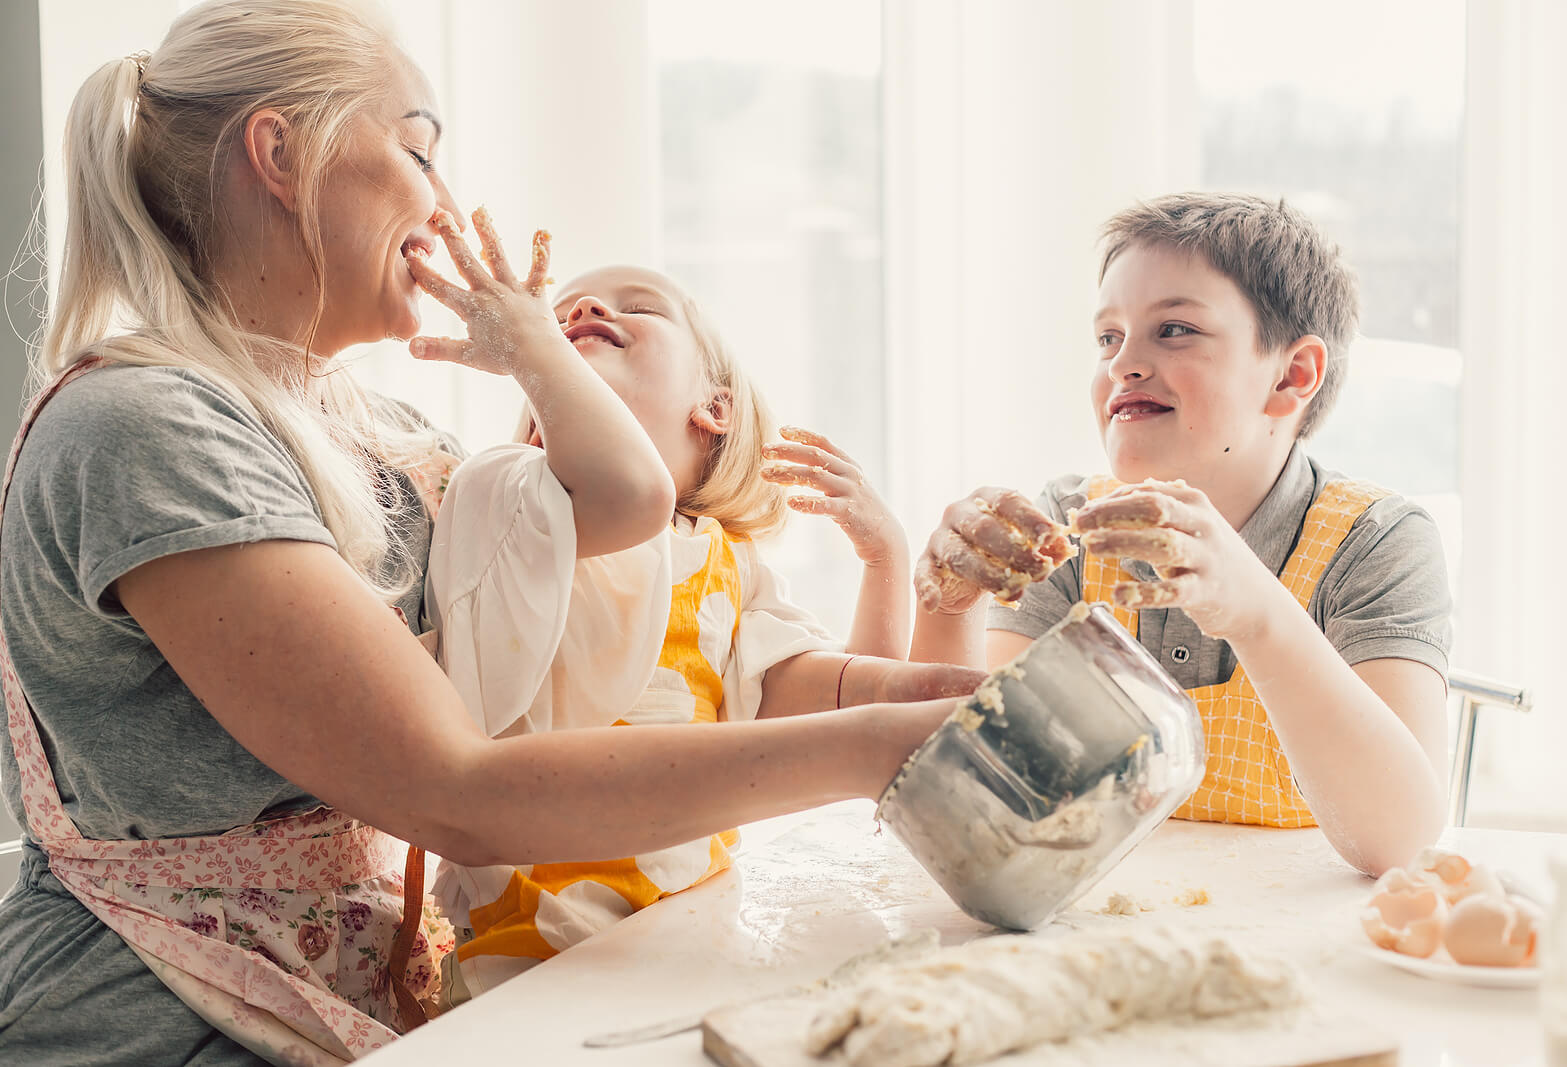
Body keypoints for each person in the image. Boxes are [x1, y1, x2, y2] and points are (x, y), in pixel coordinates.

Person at [0, 2, 966, 1062]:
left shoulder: (382, 433)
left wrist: (903, 693)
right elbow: (454, 789)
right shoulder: (144, 430)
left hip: (368, 987)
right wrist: (873, 747)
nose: (442, 202)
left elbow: (614, 507)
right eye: (417, 150)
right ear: (281, 153)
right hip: (163, 1016)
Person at [414, 261, 936, 997]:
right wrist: (540, 354)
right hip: (536, 946)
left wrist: (886, 557)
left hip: (696, 925)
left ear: (714, 407)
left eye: (640, 307)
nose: (587, 307)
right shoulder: (504, 495)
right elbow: (627, 491)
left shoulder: (729, 560)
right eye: (559, 318)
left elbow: (842, 714)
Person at [911, 193, 1452, 877]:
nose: (1123, 364)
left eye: (1173, 330)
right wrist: (946, 607)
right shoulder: (1066, 526)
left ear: (1292, 376)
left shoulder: (1377, 542)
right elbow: (970, 799)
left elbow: (1402, 842)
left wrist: (1254, 609)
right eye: (1108, 336)